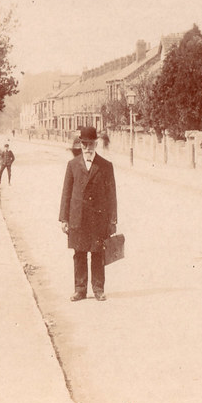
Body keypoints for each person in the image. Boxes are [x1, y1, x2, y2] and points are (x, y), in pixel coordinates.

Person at [59, 126, 117, 302]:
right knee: (79, 253)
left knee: (98, 253)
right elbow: (66, 193)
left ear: (96, 144)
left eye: (90, 144)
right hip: (78, 217)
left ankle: (98, 289)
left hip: (98, 218)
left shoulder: (106, 166)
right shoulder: (72, 165)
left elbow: (112, 195)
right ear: (81, 144)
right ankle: (80, 289)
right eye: (84, 144)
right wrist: (64, 219)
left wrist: (112, 220)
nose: (87, 147)